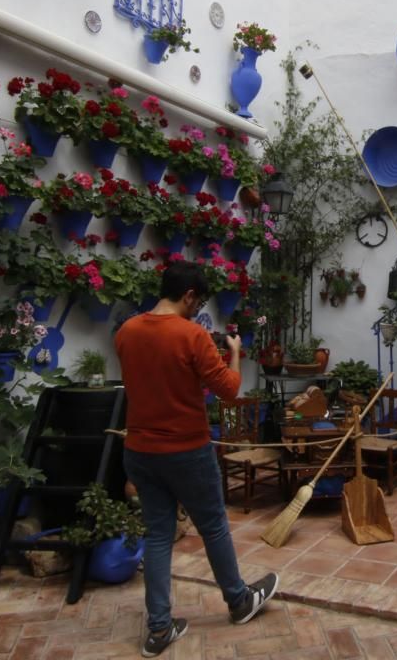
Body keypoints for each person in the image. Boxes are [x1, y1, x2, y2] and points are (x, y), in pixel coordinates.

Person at [116, 262, 278, 656]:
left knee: (158, 535)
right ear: (188, 295)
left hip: (139, 449)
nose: (197, 308)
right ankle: (239, 602)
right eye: (198, 301)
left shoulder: (126, 332)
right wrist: (234, 354)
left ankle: (159, 629)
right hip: (186, 450)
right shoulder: (193, 335)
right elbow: (230, 391)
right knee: (214, 527)